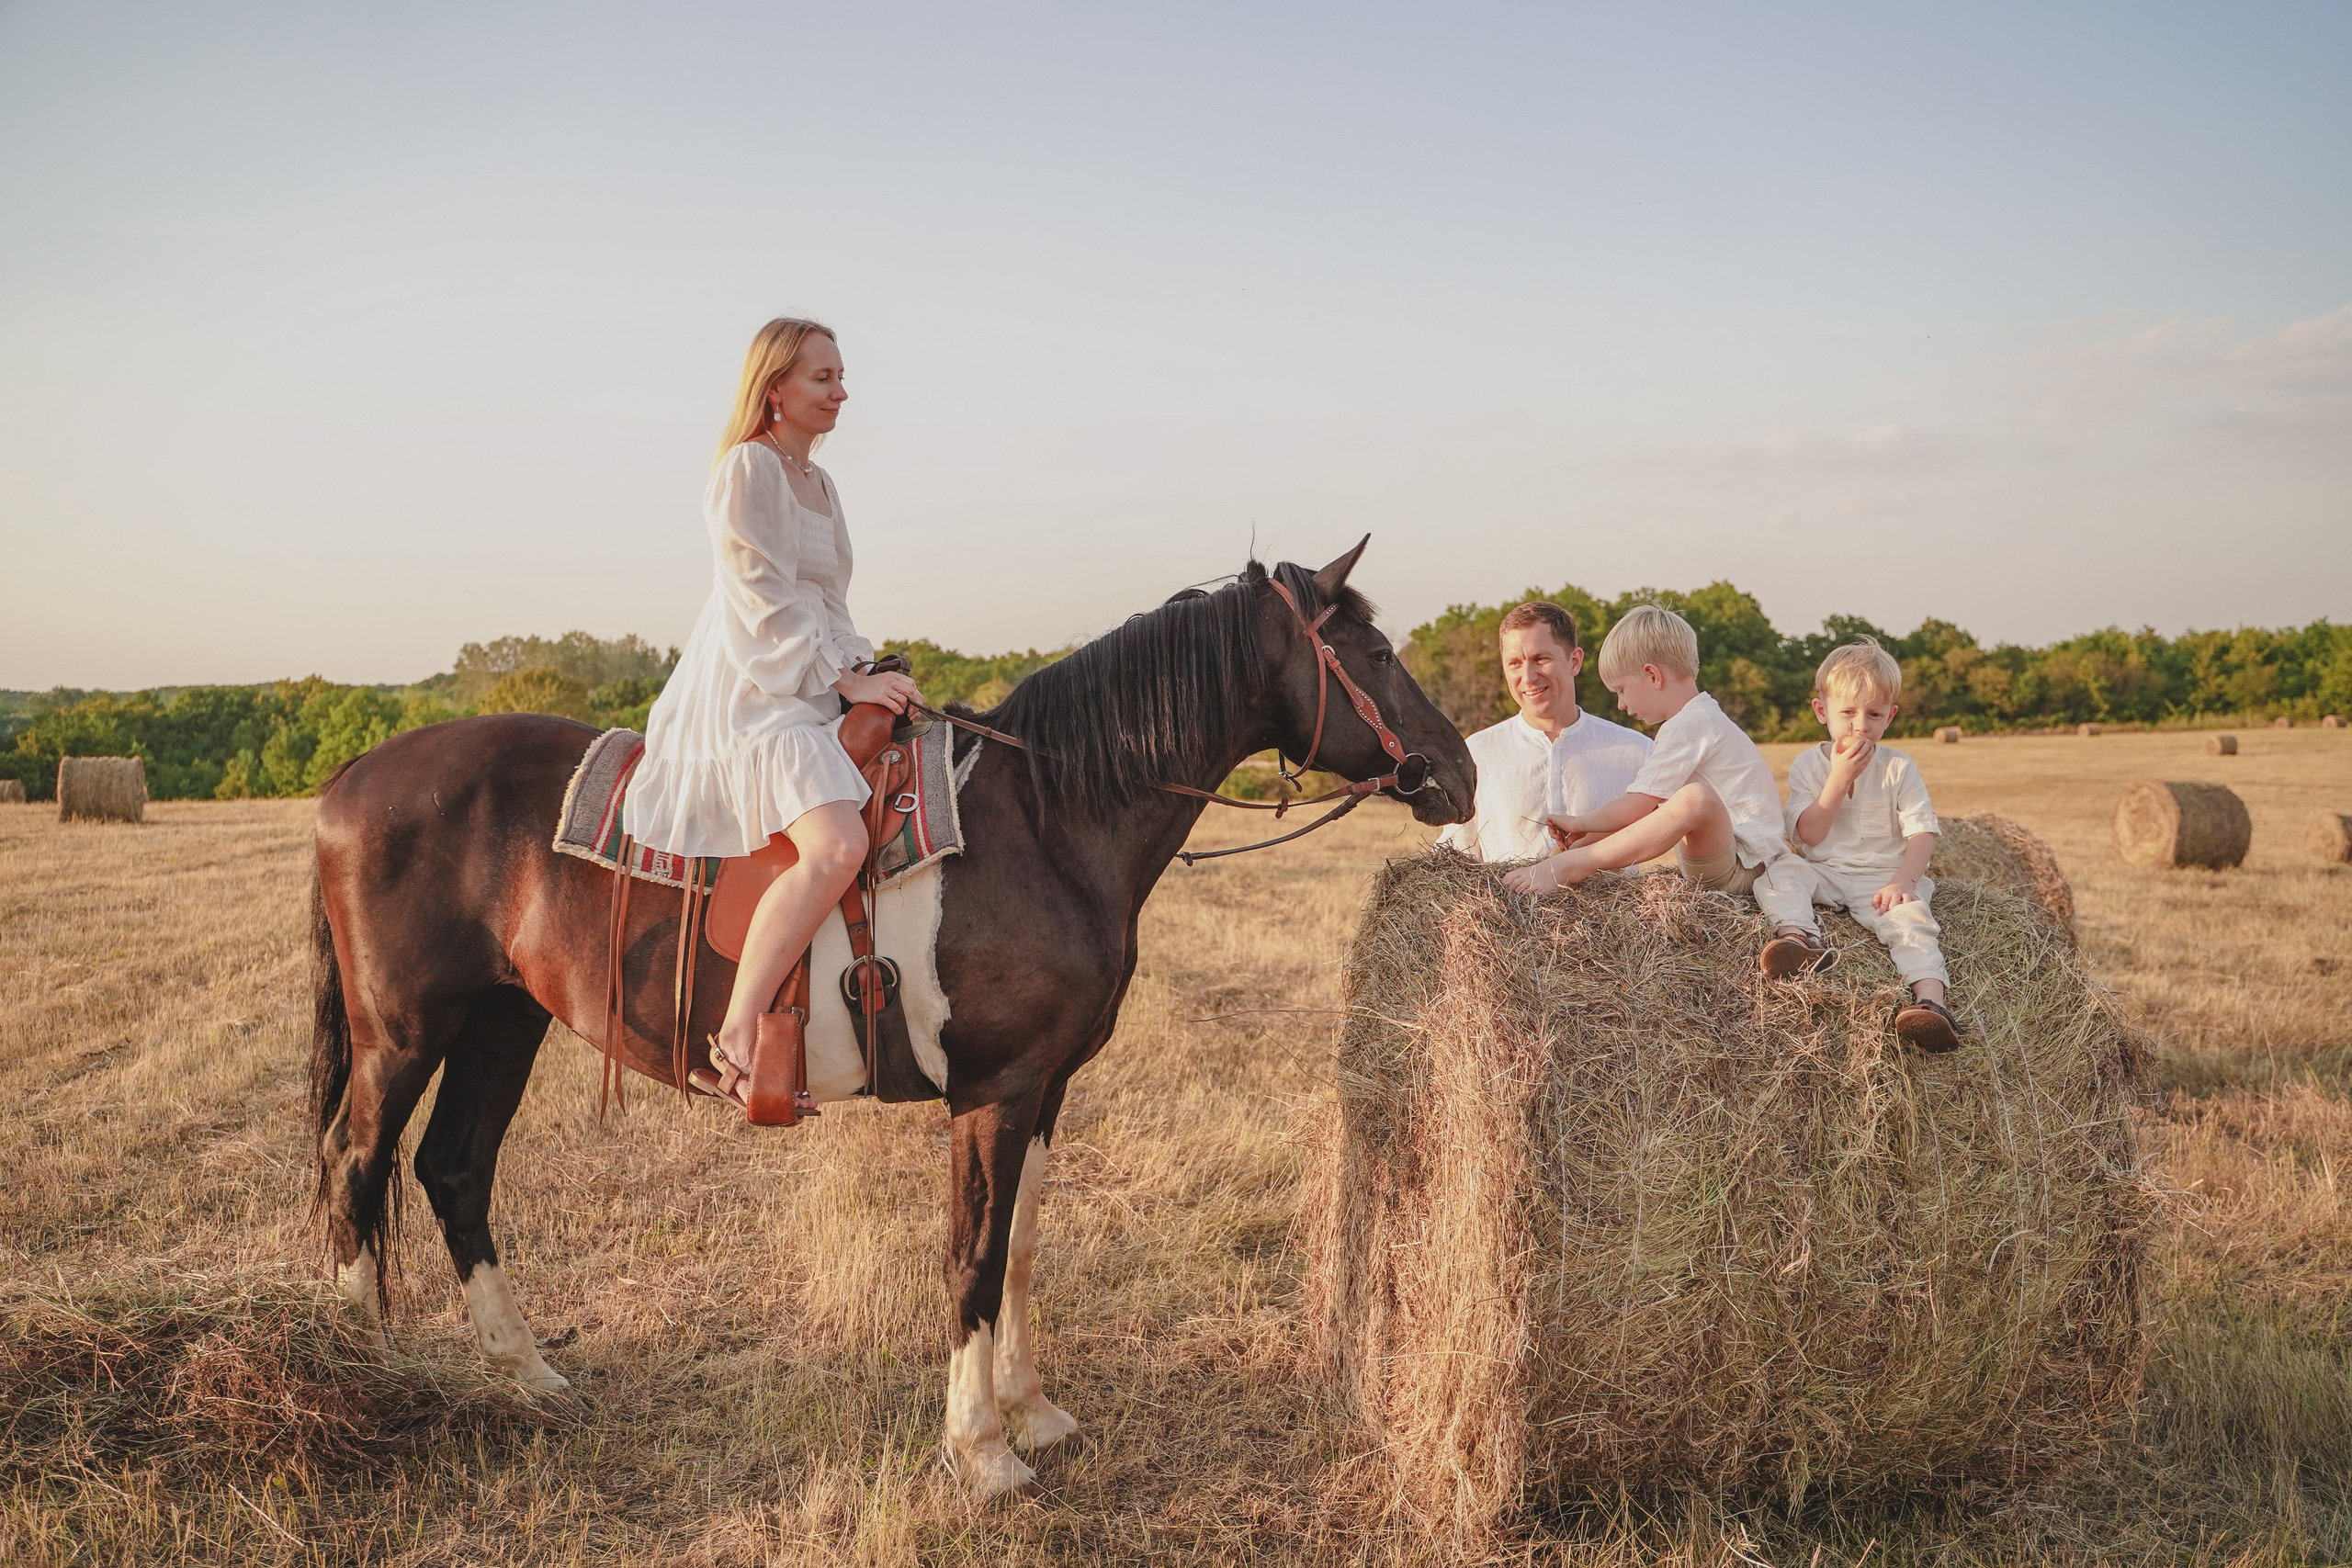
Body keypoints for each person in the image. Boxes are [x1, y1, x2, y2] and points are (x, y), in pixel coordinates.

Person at [625, 318, 922, 1115]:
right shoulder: (746, 468)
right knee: (837, 844)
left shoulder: (820, 485)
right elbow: (760, 599)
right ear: (774, 389)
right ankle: (738, 1036)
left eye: (841, 375)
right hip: (754, 686)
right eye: (823, 377)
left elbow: (828, 599)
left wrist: (867, 672)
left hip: (812, 675)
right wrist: (837, 680)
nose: (841, 392)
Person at [1501, 604, 1831, 977]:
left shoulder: (1692, 723)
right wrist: (1585, 834)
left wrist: (1581, 825)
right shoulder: (1694, 720)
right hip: (1726, 860)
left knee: (1695, 800)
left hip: (1745, 868)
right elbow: (1648, 812)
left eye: (1622, 690)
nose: (1622, 705)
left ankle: (1572, 865)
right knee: (1674, 804)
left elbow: (1638, 806)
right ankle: (1573, 858)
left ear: (1652, 676)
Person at [1785, 638, 1962, 1051]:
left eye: (1874, 714)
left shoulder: (1898, 767)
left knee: (1912, 923)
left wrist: (1905, 881)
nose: (1860, 725)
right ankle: (1796, 940)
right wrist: (1838, 778)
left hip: (1882, 879)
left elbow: (1921, 830)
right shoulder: (1808, 766)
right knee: (1779, 870)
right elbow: (1808, 835)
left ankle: (1931, 1005)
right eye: (1847, 712)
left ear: (1890, 717)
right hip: (1824, 873)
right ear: (1821, 711)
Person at [1437, 601, 1651, 863]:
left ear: (1575, 661)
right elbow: (1458, 853)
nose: (1528, 677)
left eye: (1541, 659)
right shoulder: (1477, 753)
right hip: (1503, 903)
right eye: (1514, 663)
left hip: (1616, 904)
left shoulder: (1637, 751)